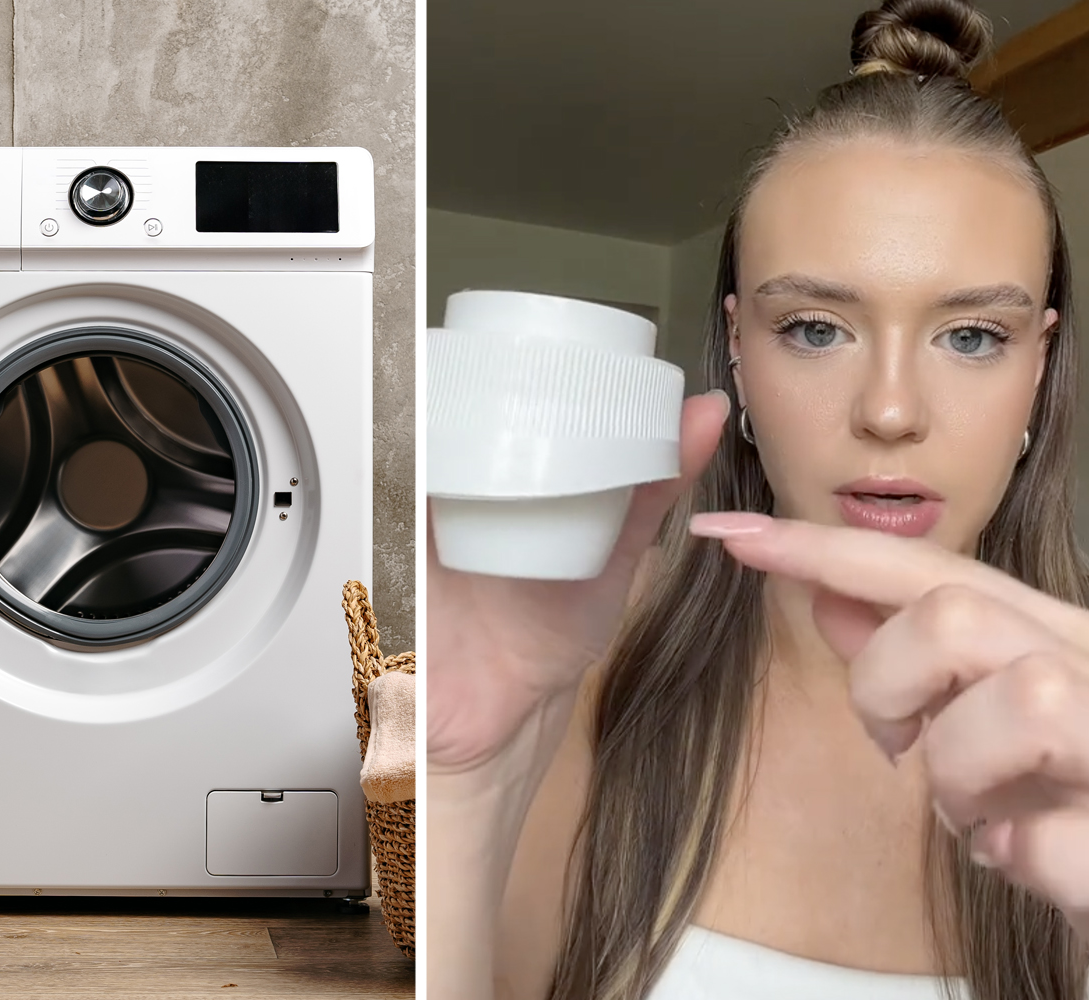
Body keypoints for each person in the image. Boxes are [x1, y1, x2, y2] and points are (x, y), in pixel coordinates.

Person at [429, 0, 1089, 997]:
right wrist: (459, 782)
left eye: (970, 337)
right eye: (816, 327)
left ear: (1036, 365)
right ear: (737, 348)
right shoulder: (580, 681)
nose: (889, 410)